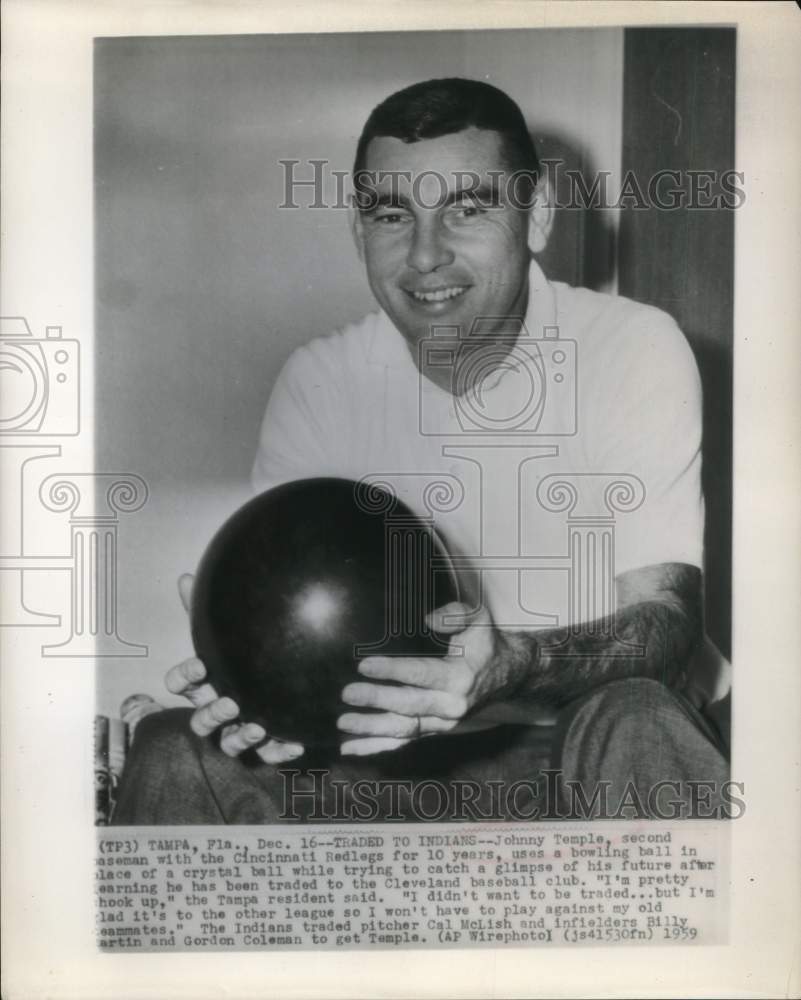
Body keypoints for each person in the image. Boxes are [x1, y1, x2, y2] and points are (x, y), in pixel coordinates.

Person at [113, 78, 729, 825]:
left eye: (466, 209)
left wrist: (511, 666)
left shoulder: (631, 345)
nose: (425, 255)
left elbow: (665, 626)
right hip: (387, 765)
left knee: (635, 715)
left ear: (535, 218)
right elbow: (306, 645)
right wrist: (253, 678)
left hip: (580, 746)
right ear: (357, 233)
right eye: (391, 215)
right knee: (177, 750)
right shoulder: (319, 378)